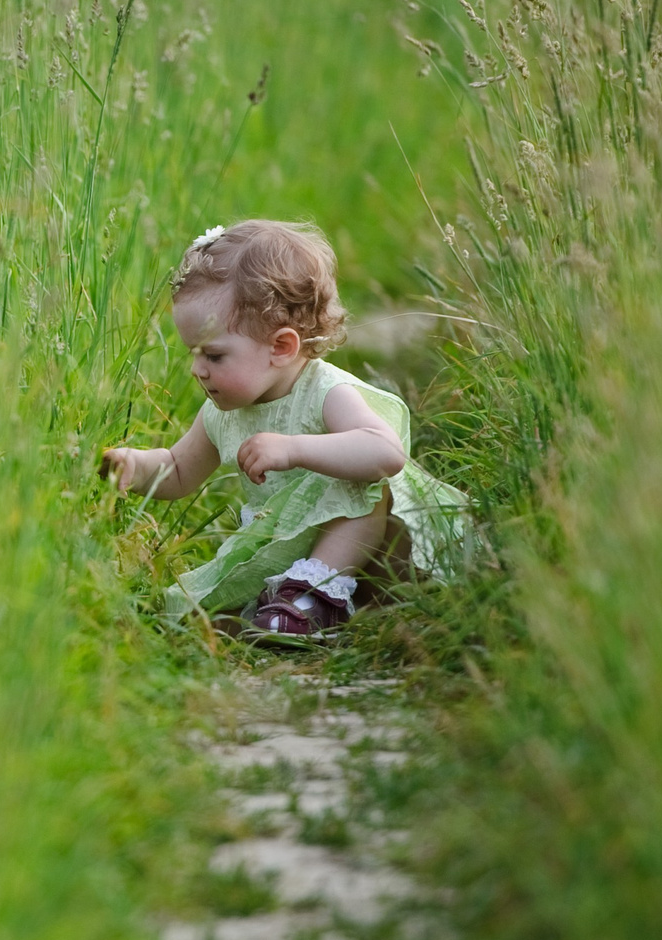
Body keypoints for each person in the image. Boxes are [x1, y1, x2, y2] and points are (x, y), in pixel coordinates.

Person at [101, 220, 472, 642]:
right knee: (201, 611)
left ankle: (317, 596)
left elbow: (386, 454)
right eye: (193, 354)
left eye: (214, 356)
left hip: (389, 559)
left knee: (360, 480)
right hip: (299, 554)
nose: (197, 369)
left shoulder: (325, 392)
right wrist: (135, 467)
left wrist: (295, 449)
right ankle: (293, 607)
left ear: (281, 347)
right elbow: (178, 469)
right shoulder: (221, 413)